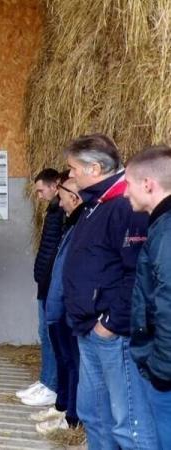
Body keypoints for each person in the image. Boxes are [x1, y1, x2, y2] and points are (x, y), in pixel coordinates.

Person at [63, 134, 157, 449]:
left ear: (95, 168)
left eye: (73, 168)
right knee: (94, 413)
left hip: (111, 334)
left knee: (128, 422)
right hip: (90, 328)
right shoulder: (97, 204)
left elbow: (137, 272)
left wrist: (111, 322)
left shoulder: (124, 205)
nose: (70, 175)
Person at [125, 145, 171, 449]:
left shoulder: (166, 232)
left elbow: (168, 304)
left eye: (128, 184)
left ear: (148, 185)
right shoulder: (160, 226)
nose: (125, 193)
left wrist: (161, 369)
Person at [31, 175, 83, 434]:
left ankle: (71, 414)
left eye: (62, 198)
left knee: (71, 361)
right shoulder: (70, 222)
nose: (59, 204)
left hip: (65, 304)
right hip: (55, 296)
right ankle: (62, 404)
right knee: (64, 357)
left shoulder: (80, 223)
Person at [17, 168, 63, 406]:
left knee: (51, 335)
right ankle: (46, 380)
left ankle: (52, 386)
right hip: (45, 282)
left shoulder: (62, 212)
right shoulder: (54, 210)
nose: (39, 195)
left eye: (40, 189)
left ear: (55, 184)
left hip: (52, 283)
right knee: (44, 334)